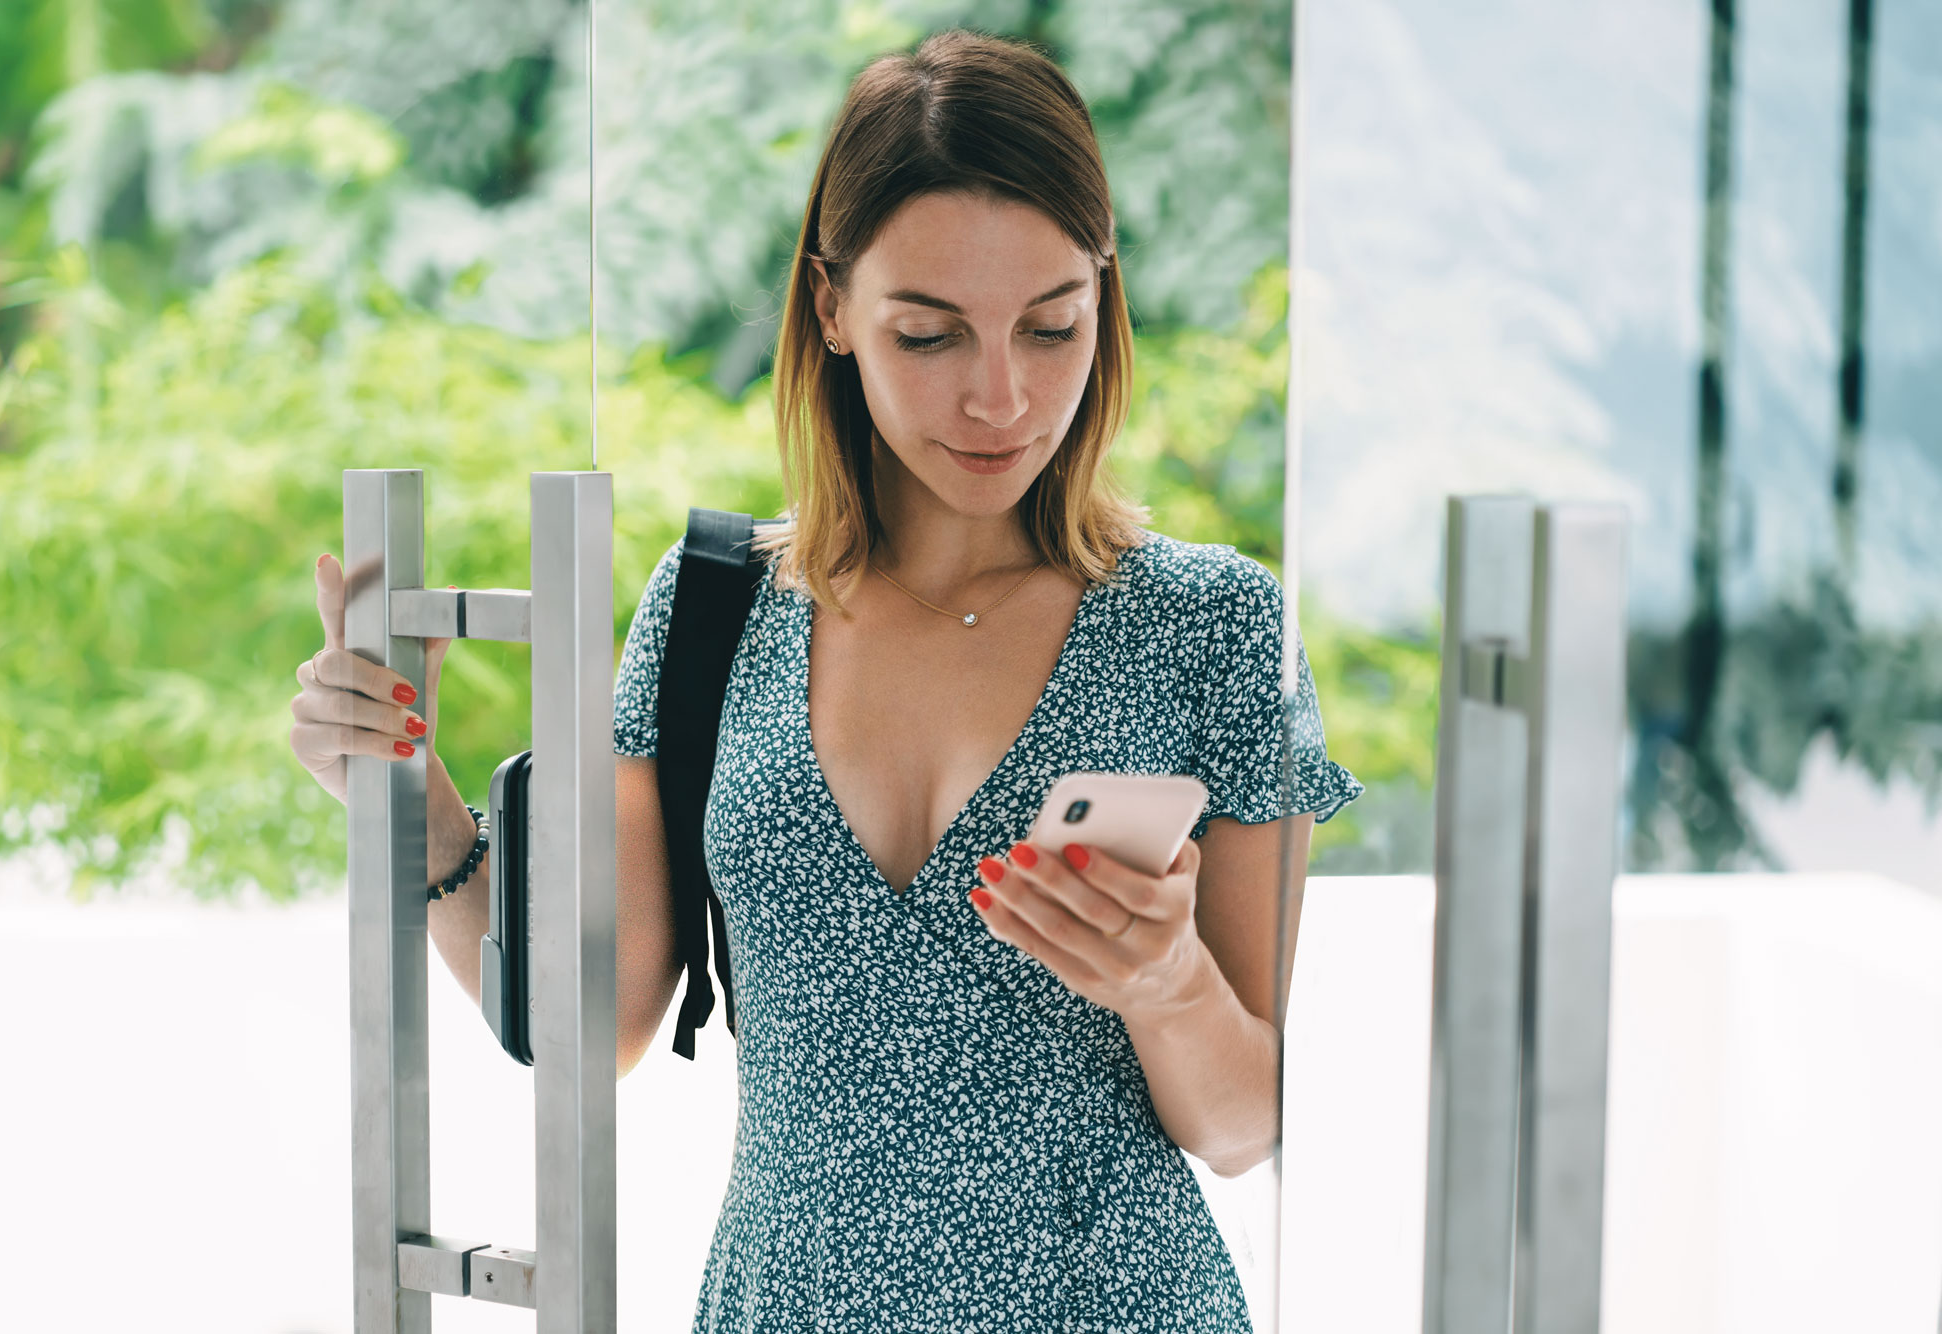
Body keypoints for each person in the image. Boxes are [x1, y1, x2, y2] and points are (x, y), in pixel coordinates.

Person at [291, 27, 1361, 1333]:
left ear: (1105, 299)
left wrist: (1167, 981)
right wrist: (411, 797)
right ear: (832, 308)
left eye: (1052, 325)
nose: (1002, 395)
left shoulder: (1217, 626)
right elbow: (596, 1027)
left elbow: (1248, 1124)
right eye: (930, 334)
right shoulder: (713, 609)